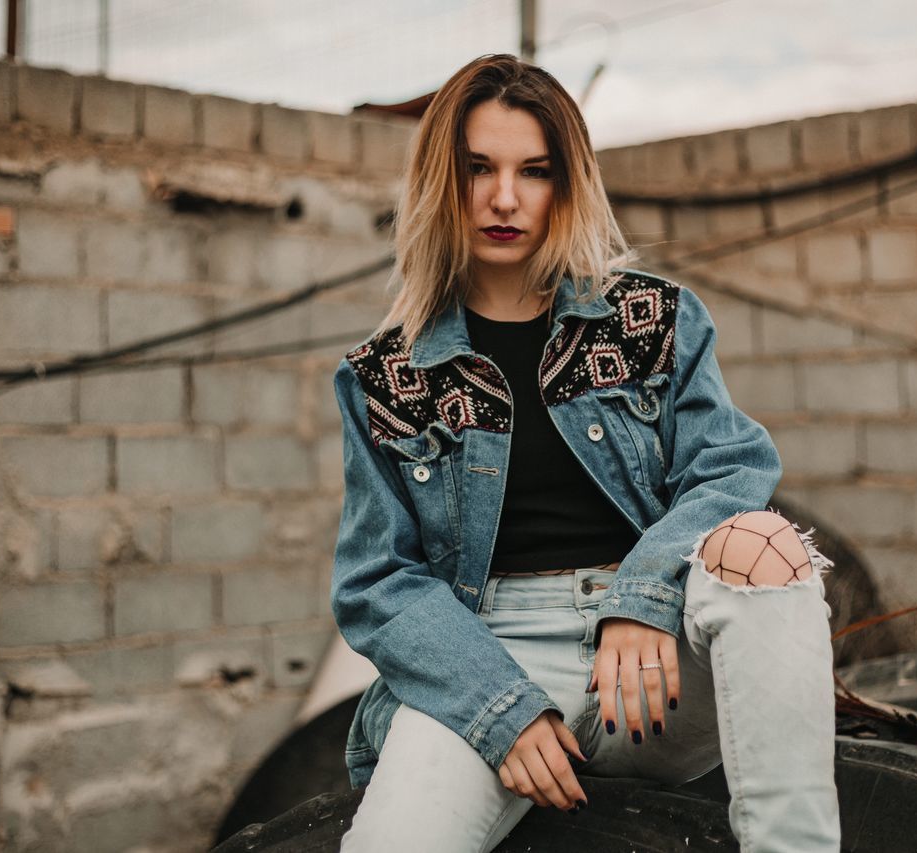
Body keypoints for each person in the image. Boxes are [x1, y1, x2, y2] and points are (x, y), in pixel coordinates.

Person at [330, 53, 840, 852]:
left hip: (656, 664)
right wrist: (498, 705)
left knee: (765, 548)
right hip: (487, 652)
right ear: (440, 179)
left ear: (565, 184)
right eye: (478, 169)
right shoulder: (381, 376)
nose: (505, 198)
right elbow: (377, 582)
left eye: (533, 170)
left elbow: (731, 468)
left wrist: (639, 597)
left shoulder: (651, 319)